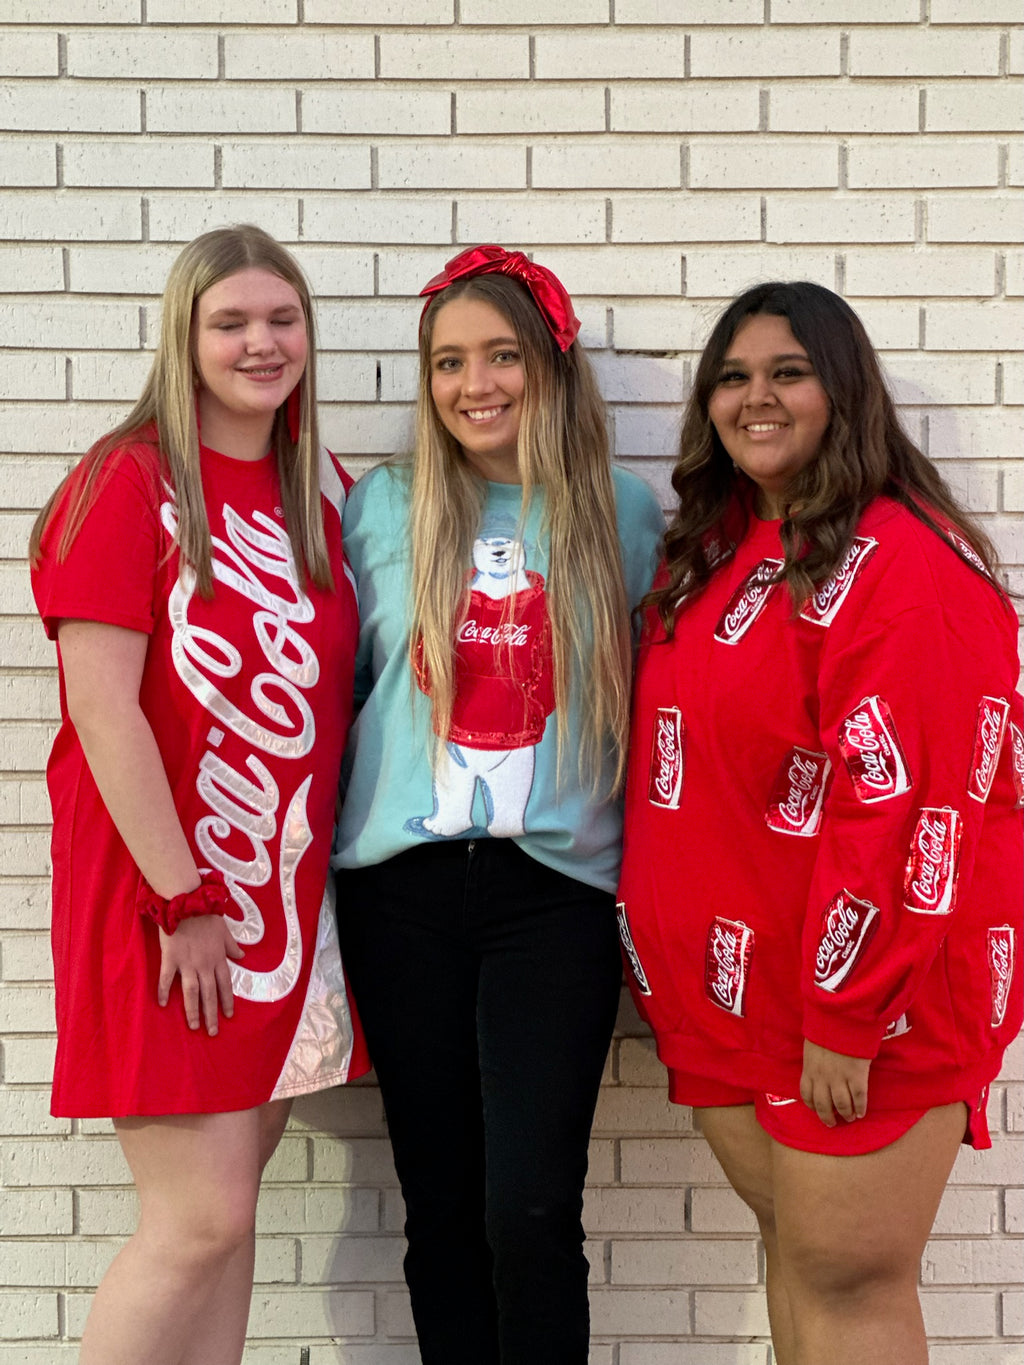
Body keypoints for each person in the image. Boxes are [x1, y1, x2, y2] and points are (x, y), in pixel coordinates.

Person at [616, 279, 1023, 1365]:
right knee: (799, 1267)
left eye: (788, 373)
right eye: (733, 377)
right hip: (732, 1004)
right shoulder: (713, 553)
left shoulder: (903, 568)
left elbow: (910, 810)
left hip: (853, 1017)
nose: (756, 398)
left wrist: (847, 1013)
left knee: (846, 1285)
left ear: (844, 392)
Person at [29, 224, 368, 1365]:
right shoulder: (125, 482)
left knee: (230, 1225)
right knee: (196, 1220)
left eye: (283, 318)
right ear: (183, 339)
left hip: (273, 907)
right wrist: (185, 896)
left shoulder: (319, 490)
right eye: (230, 322)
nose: (261, 343)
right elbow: (103, 710)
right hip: (169, 901)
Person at [332, 244, 664, 1364]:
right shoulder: (379, 505)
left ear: (551, 365)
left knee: (529, 1209)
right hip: (399, 895)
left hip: (555, 896)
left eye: (502, 355)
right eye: (447, 362)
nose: (475, 384)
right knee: (440, 1210)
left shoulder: (619, 514)